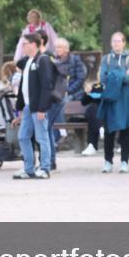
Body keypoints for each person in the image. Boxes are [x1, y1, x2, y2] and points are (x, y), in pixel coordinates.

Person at [12, 32, 56, 179]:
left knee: (42, 137)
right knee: (23, 136)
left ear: (33, 44)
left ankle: (45, 168)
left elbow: (47, 86)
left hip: (38, 107)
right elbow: (22, 88)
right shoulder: (28, 61)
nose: (22, 47)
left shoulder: (42, 60)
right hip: (27, 107)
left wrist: (43, 109)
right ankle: (28, 168)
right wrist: (19, 110)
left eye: (24, 44)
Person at [97, 32, 129, 174]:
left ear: (123, 43)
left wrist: (114, 74)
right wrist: (121, 73)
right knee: (109, 132)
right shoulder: (106, 59)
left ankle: (124, 162)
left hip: (125, 99)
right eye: (114, 41)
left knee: (126, 132)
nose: (116, 44)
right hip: (110, 98)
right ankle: (108, 161)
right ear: (111, 43)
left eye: (119, 41)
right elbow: (103, 78)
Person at [50, 38, 86, 168]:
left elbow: (81, 78)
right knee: (53, 104)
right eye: (56, 47)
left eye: (59, 47)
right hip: (58, 94)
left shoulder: (75, 60)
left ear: (66, 49)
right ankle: (58, 133)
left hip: (72, 93)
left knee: (60, 103)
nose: (57, 49)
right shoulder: (53, 60)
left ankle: (60, 132)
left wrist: (68, 90)